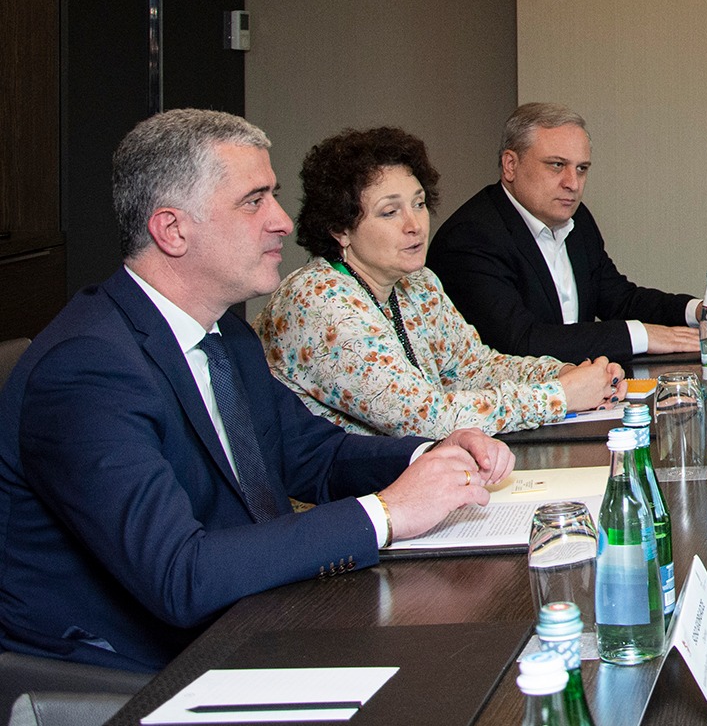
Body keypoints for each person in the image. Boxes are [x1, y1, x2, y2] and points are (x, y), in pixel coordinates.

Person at [0, 110, 514, 672]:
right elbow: (179, 574)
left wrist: (430, 456)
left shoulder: (225, 332)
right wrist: (387, 513)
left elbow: (310, 454)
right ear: (173, 230)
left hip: (257, 616)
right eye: (254, 201)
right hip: (140, 673)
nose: (282, 222)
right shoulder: (87, 368)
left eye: (273, 197)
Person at [255, 127, 628, 439]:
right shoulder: (317, 300)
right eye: (390, 212)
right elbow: (423, 417)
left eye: (418, 204)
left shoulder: (417, 283)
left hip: (419, 476)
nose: (415, 225)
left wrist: (563, 373)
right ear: (341, 229)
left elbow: (474, 369)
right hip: (342, 497)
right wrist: (560, 395)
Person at [428, 103, 704, 363]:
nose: (573, 183)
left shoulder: (577, 218)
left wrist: (697, 311)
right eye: (557, 165)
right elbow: (519, 342)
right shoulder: (470, 238)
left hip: (583, 388)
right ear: (510, 165)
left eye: (581, 169)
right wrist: (641, 335)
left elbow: (619, 300)